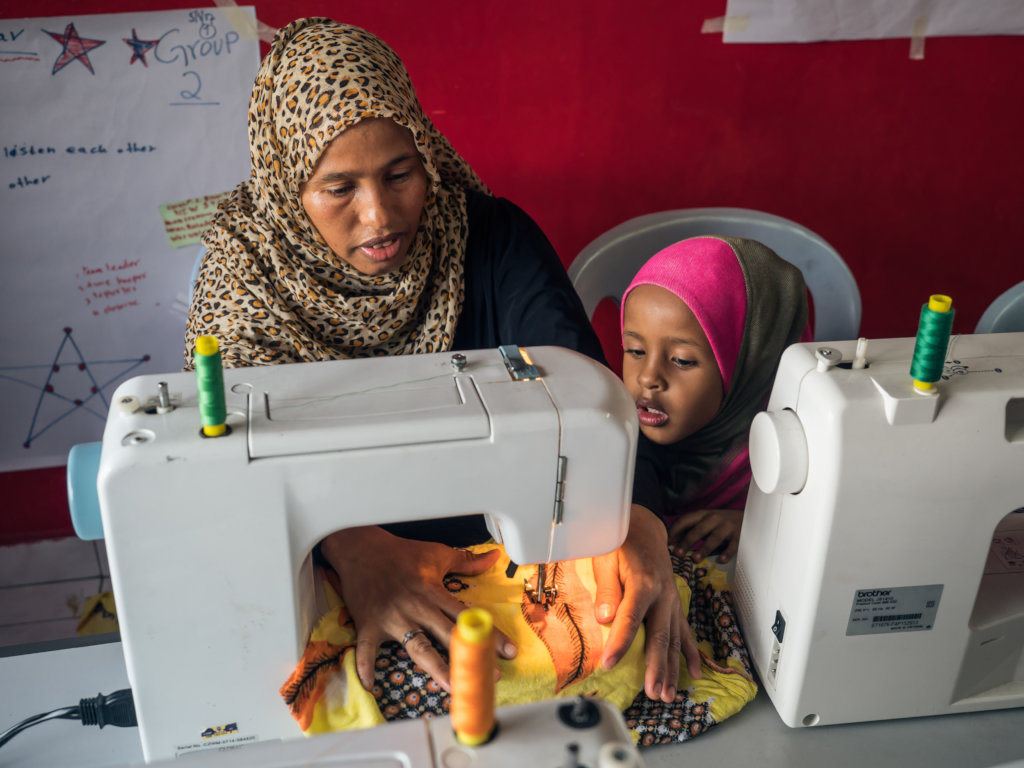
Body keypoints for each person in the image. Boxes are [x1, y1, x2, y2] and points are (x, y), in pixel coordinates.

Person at [184, 17, 697, 707]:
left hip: (501, 556)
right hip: (330, 564)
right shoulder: (243, 284)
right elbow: (233, 476)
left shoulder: (488, 240)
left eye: (401, 174)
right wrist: (352, 547)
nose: (380, 217)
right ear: (286, 186)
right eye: (339, 188)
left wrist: (634, 518)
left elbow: (586, 402)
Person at [620, 235, 809, 564]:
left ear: (750, 363)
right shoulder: (610, 441)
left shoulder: (800, 465)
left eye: (681, 360)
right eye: (636, 351)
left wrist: (762, 524)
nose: (648, 378)